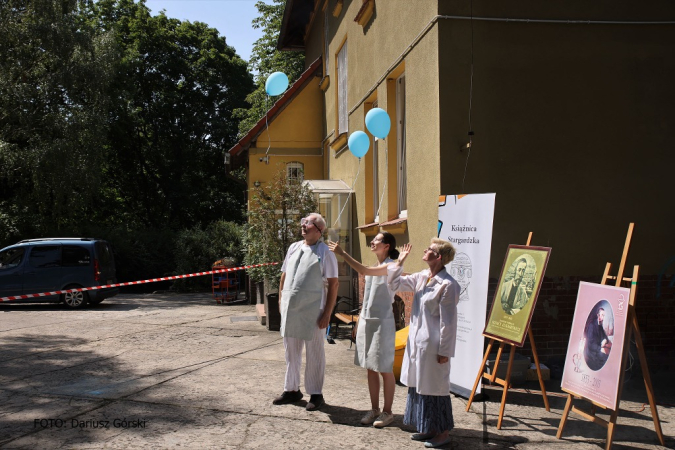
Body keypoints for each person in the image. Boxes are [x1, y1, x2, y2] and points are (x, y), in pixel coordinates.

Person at [327, 233, 411, 428]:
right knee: (370, 367)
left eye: (377, 240)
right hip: (367, 322)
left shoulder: (391, 265)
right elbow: (367, 299)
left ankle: (388, 412)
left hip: (382, 323)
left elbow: (362, 270)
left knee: (384, 368)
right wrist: (358, 323)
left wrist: (343, 253)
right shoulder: (376, 266)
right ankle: (374, 409)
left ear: (387, 246)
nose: (372, 242)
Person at [390, 238, 459, 449]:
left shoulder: (448, 285)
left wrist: (445, 351)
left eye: (430, 249)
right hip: (417, 342)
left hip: (433, 345)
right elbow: (393, 283)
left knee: (436, 389)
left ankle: (443, 433)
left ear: (438, 257)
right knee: (419, 386)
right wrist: (399, 262)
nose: (425, 249)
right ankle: (428, 427)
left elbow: (449, 322)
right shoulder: (422, 277)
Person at [272, 213, 339, 411]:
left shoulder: (325, 252)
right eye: (303, 222)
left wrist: (328, 313)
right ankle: (291, 389)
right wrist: (280, 300)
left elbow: (334, 285)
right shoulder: (293, 247)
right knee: (291, 352)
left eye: (307, 223)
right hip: (291, 309)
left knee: (314, 352)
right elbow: (284, 276)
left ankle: (316, 393)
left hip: (314, 310)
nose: (303, 226)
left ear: (318, 230)